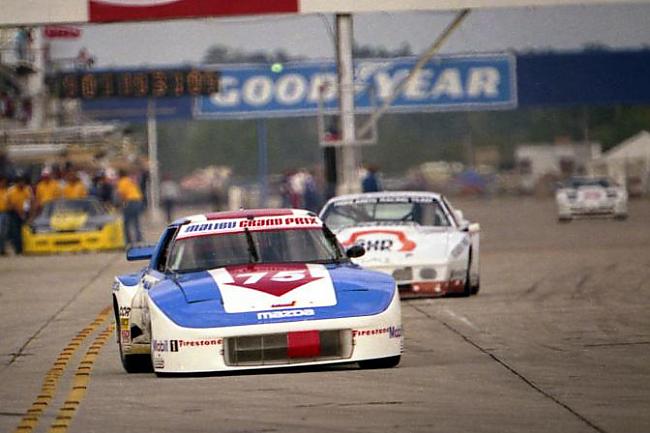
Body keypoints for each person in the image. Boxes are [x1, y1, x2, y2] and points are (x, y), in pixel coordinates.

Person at [6, 175, 33, 255]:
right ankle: (18, 250)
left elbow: (29, 201)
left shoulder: (27, 189)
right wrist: (20, 213)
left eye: (23, 182)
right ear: (16, 183)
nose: (22, 184)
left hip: (25, 212)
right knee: (16, 232)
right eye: (20, 182)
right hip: (14, 213)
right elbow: (12, 204)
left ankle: (25, 248)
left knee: (25, 231)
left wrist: (27, 214)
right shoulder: (11, 190)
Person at [117, 169, 144, 244]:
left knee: (126, 222)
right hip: (138, 200)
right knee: (136, 221)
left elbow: (121, 193)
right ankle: (139, 238)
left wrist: (121, 204)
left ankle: (128, 240)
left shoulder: (121, 181)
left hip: (130, 201)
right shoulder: (130, 180)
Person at [0, 176, 8, 255]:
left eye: (4, 182)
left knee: (3, 232)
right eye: (2, 182)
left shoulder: (7, 191)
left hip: (5, 213)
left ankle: (2, 249)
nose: (3, 183)